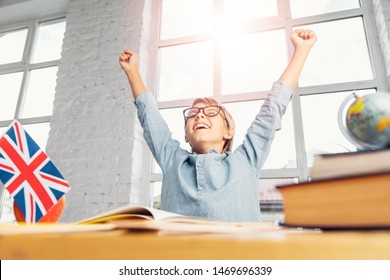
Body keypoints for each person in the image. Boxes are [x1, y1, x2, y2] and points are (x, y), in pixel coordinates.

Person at [119, 29, 317, 222]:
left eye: (211, 112)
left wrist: (301, 50)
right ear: (186, 135)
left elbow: (273, 108)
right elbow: (150, 116)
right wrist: (132, 71)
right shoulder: (173, 160)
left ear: (228, 131)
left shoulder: (246, 160)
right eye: (193, 114)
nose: (200, 115)